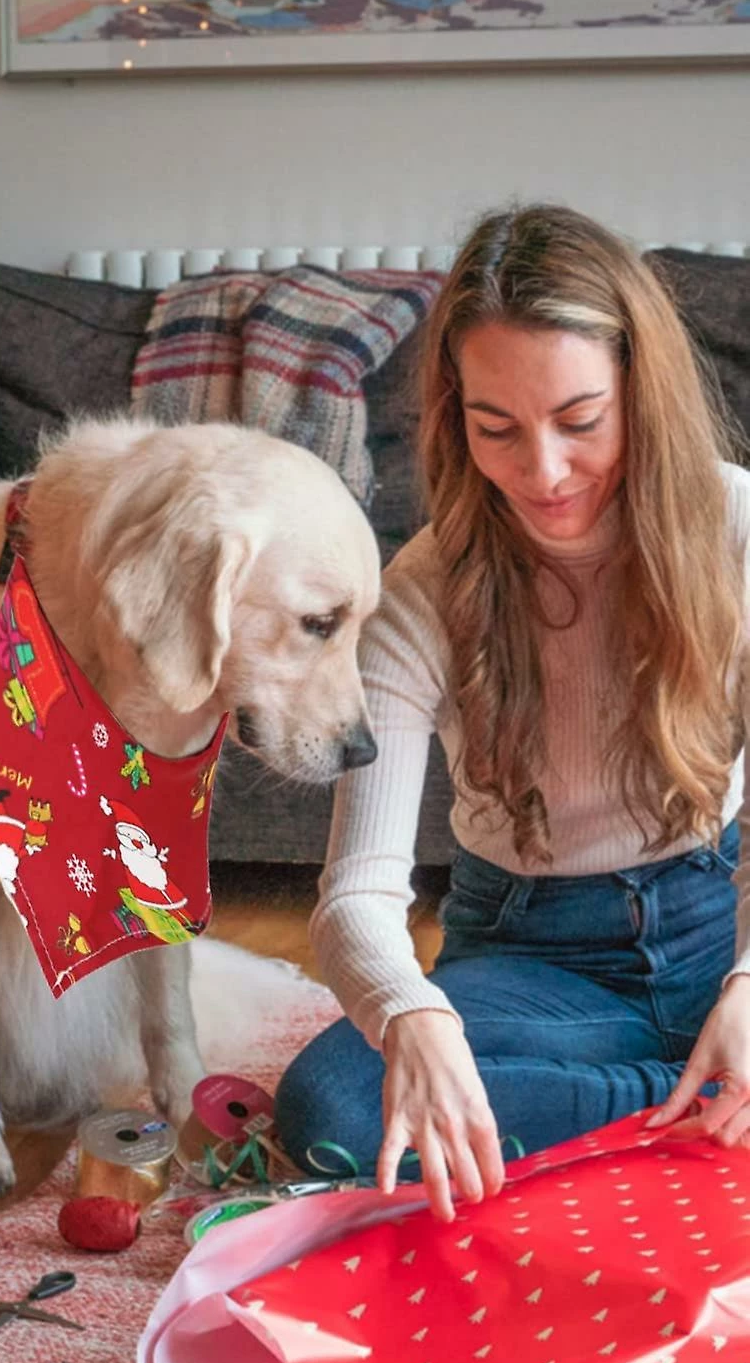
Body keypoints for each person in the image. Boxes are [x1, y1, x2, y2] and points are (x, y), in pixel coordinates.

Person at [273, 203, 750, 1220]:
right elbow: (356, 896)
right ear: (455, 416)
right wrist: (412, 1019)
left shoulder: (739, 530)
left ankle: (683, 1088)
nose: (542, 473)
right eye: (498, 428)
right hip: (536, 954)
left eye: (581, 421)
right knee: (333, 1109)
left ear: (641, 392)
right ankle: (696, 1106)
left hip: (720, 915)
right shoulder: (423, 587)